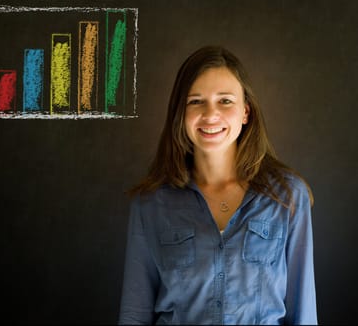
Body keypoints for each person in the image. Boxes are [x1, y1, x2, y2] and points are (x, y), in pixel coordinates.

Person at [118, 45, 318, 325]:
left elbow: (304, 314)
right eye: (196, 101)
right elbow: (134, 315)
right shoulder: (150, 203)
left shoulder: (287, 196)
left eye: (225, 101)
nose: (211, 114)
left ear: (246, 112)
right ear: (181, 114)